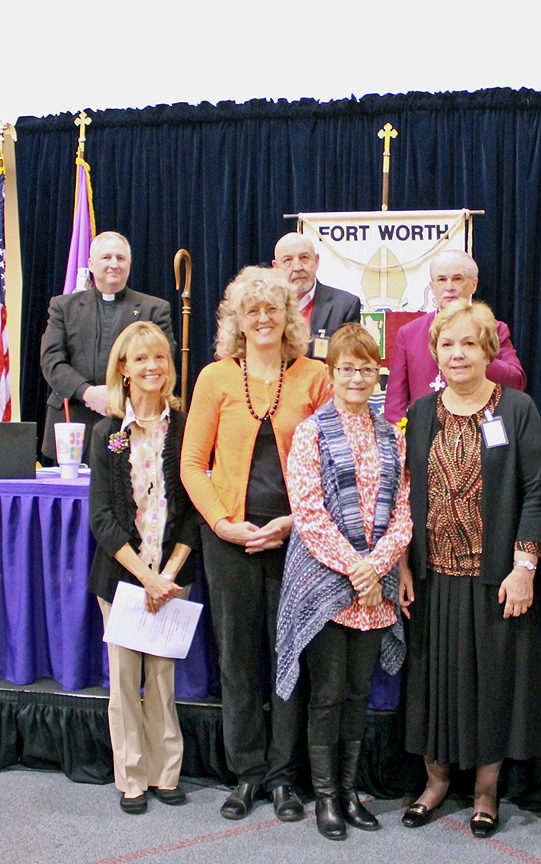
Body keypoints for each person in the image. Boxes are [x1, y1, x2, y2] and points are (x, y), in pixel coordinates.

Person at [180, 267, 331, 822]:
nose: (263, 319)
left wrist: (294, 521)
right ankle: (246, 773)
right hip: (230, 542)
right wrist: (223, 524)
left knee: (290, 661)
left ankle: (284, 778)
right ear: (237, 322)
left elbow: (332, 465)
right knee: (239, 660)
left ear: (289, 317)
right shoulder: (215, 378)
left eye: (272, 309)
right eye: (252, 311)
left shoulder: (316, 376)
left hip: (299, 541)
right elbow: (192, 464)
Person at [401, 299, 541, 839]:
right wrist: (403, 566)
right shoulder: (421, 413)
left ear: (489, 351)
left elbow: (538, 491)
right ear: (435, 352)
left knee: (493, 686)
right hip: (433, 579)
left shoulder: (517, 410)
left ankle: (486, 789)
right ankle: (436, 783)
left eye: (468, 343)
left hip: (497, 582)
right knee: (432, 686)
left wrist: (525, 565)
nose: (457, 353)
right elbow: (404, 495)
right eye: (447, 344)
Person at [274, 324, 412, 841]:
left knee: (358, 693)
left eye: (365, 368)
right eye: (346, 368)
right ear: (330, 373)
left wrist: (376, 568)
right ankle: (325, 796)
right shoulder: (310, 432)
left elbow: (403, 511)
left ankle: (349, 792)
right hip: (324, 586)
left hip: (373, 588)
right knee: (328, 694)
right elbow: (309, 514)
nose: (356, 378)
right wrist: (358, 570)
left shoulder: (392, 435)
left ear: (377, 374)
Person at [88, 321, 198, 815]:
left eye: (159, 358)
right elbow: (101, 518)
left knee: (162, 682)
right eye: (140, 359)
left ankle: (165, 773)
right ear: (124, 369)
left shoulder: (185, 425)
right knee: (123, 683)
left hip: (171, 579)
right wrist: (145, 577)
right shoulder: (107, 433)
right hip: (122, 580)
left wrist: (167, 576)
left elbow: (194, 512)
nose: (152, 367)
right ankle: (131, 778)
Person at [40, 231, 176, 463]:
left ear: (129, 264)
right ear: (91, 264)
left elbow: (164, 360)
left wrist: (118, 396)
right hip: (72, 424)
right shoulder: (63, 306)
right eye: (106, 258)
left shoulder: (154, 309)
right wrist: (86, 392)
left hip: (131, 419)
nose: (114, 264)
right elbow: (51, 359)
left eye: (120, 258)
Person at [383, 250, 526, 423]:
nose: (449, 287)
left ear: (474, 284)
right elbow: (394, 406)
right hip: (425, 430)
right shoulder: (409, 333)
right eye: (442, 280)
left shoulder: (494, 329)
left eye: (457, 279)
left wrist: (480, 355)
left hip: (478, 427)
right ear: (432, 286)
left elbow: (516, 382)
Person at [273, 232, 362, 360]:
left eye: (304, 258)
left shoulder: (345, 306)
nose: (297, 267)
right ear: (276, 267)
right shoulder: (267, 308)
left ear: (316, 261)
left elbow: (348, 361)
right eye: (288, 260)